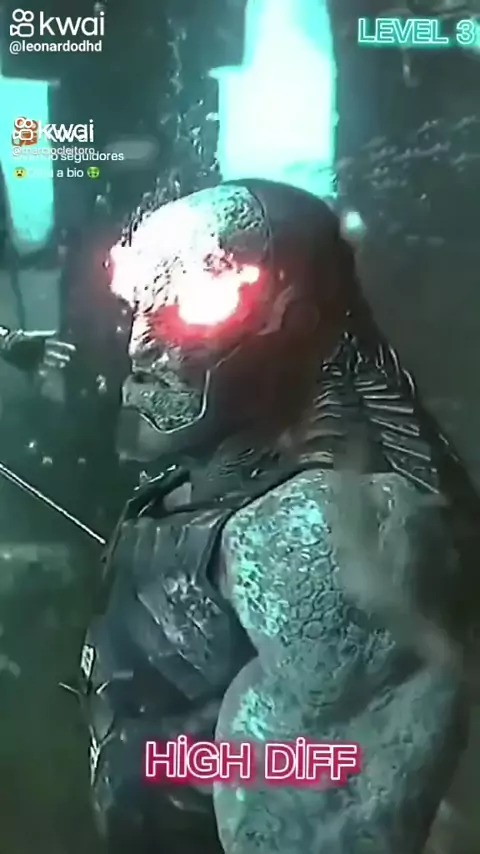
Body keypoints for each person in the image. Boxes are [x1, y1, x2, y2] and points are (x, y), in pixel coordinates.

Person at [78, 179, 476, 854]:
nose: (142, 344)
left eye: (193, 303)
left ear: (293, 321)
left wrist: (160, 761)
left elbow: (326, 815)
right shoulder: (201, 494)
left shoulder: (314, 539)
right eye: (143, 301)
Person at [0, 324, 75, 376]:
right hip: (30, 351)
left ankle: (65, 355)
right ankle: (64, 357)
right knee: (46, 355)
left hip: (31, 348)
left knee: (46, 352)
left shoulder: (12, 340)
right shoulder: (8, 348)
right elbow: (32, 335)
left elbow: (32, 335)